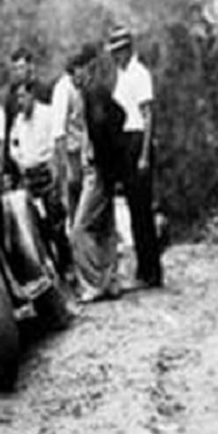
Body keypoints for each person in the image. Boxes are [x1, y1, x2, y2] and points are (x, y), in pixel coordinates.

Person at [106, 25, 163, 289]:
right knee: (134, 210)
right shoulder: (122, 75)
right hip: (126, 142)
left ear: (129, 49)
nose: (116, 56)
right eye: (114, 52)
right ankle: (144, 268)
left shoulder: (140, 74)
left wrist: (143, 156)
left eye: (120, 51)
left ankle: (151, 271)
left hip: (138, 139)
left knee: (142, 211)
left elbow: (147, 116)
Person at [70, 42, 126, 303]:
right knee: (105, 227)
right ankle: (110, 281)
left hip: (99, 171)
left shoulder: (93, 93)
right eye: (72, 73)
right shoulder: (97, 91)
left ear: (88, 69)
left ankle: (93, 284)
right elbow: (120, 114)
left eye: (78, 70)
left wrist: (102, 160)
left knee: (79, 229)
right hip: (104, 169)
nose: (75, 76)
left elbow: (109, 120)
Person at [8, 79, 72, 273]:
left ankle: (66, 263)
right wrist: (19, 161)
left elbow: (55, 141)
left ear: (32, 95)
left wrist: (54, 166)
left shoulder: (46, 113)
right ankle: (52, 266)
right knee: (37, 225)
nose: (21, 101)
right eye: (18, 97)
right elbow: (13, 145)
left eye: (23, 96)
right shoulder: (18, 121)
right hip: (29, 174)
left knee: (56, 222)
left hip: (46, 170)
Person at [3, 47, 52, 180]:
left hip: (43, 157)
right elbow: (8, 132)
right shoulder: (11, 96)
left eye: (21, 67)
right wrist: (7, 166)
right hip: (22, 160)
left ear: (31, 66)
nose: (19, 72)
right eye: (15, 69)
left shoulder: (44, 91)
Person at [50, 52, 86, 227]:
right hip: (69, 153)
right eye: (80, 71)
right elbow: (59, 132)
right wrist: (66, 166)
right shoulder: (63, 89)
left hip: (83, 150)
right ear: (73, 71)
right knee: (71, 198)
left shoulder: (81, 87)